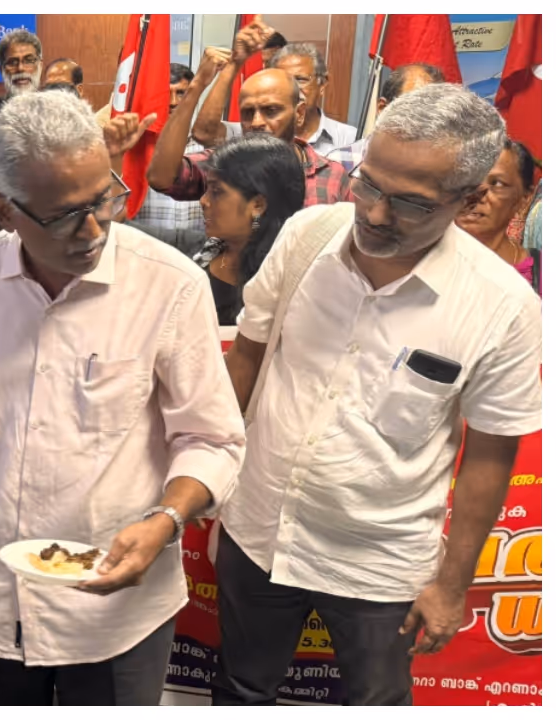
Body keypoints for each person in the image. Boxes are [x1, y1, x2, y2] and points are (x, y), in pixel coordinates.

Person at [0, 91, 246, 706]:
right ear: (5, 207)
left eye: (103, 200)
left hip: (114, 606)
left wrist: (165, 520)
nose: (92, 231)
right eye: (64, 215)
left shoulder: (168, 287)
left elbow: (212, 438)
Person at [218, 83, 541, 706]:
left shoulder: (502, 307)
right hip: (258, 530)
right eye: (367, 184)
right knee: (241, 688)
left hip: (378, 561)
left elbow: (491, 456)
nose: (373, 214)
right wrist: (211, 469)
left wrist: (451, 585)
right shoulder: (308, 236)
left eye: (410, 203)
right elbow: (249, 358)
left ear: (469, 198)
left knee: (375, 702)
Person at [149, 49, 348, 207]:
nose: (256, 122)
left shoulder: (332, 176)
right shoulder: (224, 164)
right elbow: (161, 177)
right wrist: (196, 86)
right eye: (247, 113)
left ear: (299, 114)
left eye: (271, 110)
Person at [147, 134, 305, 326]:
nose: (203, 201)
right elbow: (124, 232)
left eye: (216, 192)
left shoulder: (291, 284)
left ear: (257, 205)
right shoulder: (199, 250)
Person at [194, 23, 357, 155]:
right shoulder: (253, 130)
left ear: (322, 84)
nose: (292, 87)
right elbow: (204, 133)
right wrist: (234, 64)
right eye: (283, 79)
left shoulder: (349, 138)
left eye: (300, 79)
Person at [456, 139, 539, 292]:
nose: (475, 194)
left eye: (497, 184)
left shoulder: (540, 275)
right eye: (468, 179)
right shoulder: (416, 261)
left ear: (525, 198)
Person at [133, 63, 206, 233]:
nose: (173, 102)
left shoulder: (207, 145)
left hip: (197, 250)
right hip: (148, 249)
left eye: (181, 93)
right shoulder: (137, 147)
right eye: (166, 94)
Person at [0, 29, 44, 142]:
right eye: (12, 62)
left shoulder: (53, 109)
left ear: (40, 65)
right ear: (1, 69)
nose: (21, 68)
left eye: (29, 61)